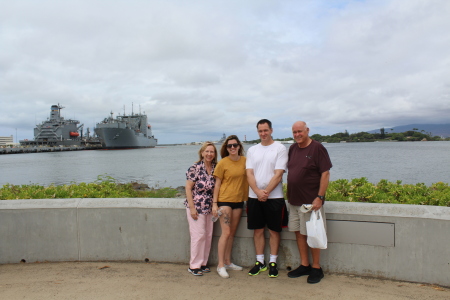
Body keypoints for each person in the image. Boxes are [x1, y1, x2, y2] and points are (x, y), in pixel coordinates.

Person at [286, 121, 332, 284]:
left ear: (307, 131)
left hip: (310, 202)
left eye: (300, 131)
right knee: (298, 233)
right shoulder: (292, 148)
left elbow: (325, 174)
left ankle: (316, 267)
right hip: (294, 201)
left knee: (313, 234)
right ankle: (305, 264)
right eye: (294, 132)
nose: (297, 134)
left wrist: (319, 197)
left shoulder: (317, 147)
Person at [246, 119, 288, 278]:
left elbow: (279, 174)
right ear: (257, 132)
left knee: (274, 230)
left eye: (265, 130)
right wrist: (257, 192)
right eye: (260, 131)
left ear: (271, 130)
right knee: (257, 230)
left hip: (274, 197)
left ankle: (273, 263)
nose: (263, 133)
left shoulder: (280, 148)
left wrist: (266, 192)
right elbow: (249, 173)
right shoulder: (252, 150)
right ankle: (260, 262)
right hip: (254, 196)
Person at [212, 135, 248, 279]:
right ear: (226, 148)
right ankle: (220, 265)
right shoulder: (223, 163)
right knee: (226, 233)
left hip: (239, 201)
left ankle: (228, 262)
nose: (232, 148)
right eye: (229, 146)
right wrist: (215, 204)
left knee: (232, 233)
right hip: (225, 201)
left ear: (239, 146)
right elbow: (217, 184)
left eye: (235, 145)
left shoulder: (245, 161)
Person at [184, 142, 218, 276]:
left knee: (208, 235)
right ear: (202, 153)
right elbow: (188, 188)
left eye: (212, 152)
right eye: (207, 151)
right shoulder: (195, 168)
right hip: (196, 207)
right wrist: (192, 208)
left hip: (209, 207)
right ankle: (194, 265)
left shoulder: (216, 168)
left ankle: (203, 263)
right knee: (198, 236)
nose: (209, 154)